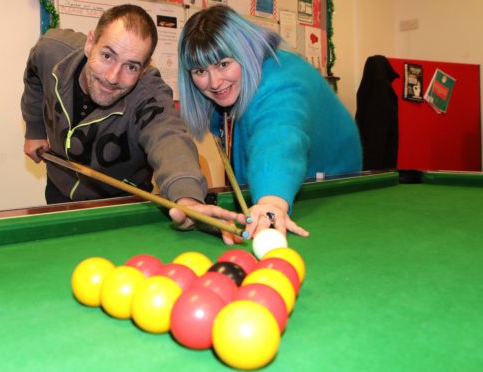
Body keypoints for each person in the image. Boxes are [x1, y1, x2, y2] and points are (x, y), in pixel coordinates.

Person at [21, 4, 246, 244]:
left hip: (122, 209)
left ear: (145, 67)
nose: (112, 77)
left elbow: (168, 139)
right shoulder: (53, 50)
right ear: (90, 43)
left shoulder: (149, 94)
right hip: (59, 193)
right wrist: (35, 128)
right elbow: (34, 72)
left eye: (131, 66)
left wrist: (188, 199)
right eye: (107, 56)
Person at [177, 5, 362, 238]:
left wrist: (271, 203)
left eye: (223, 64)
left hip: (331, 190)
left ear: (244, 52)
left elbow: (279, 137)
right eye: (199, 71)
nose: (214, 82)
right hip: (283, 187)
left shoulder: (280, 81)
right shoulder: (237, 84)